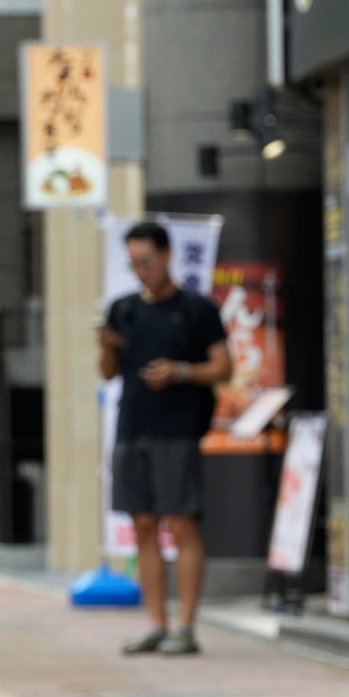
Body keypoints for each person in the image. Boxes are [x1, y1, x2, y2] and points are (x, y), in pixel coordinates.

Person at [98, 220, 233, 655]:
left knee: (180, 522)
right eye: (134, 263)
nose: (141, 270)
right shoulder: (123, 309)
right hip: (132, 427)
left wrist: (179, 371)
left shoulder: (196, 309)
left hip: (178, 430)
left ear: (167, 256)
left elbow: (224, 367)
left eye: (147, 262)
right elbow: (107, 372)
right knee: (142, 525)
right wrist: (106, 345)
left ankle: (187, 626)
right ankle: (155, 623)